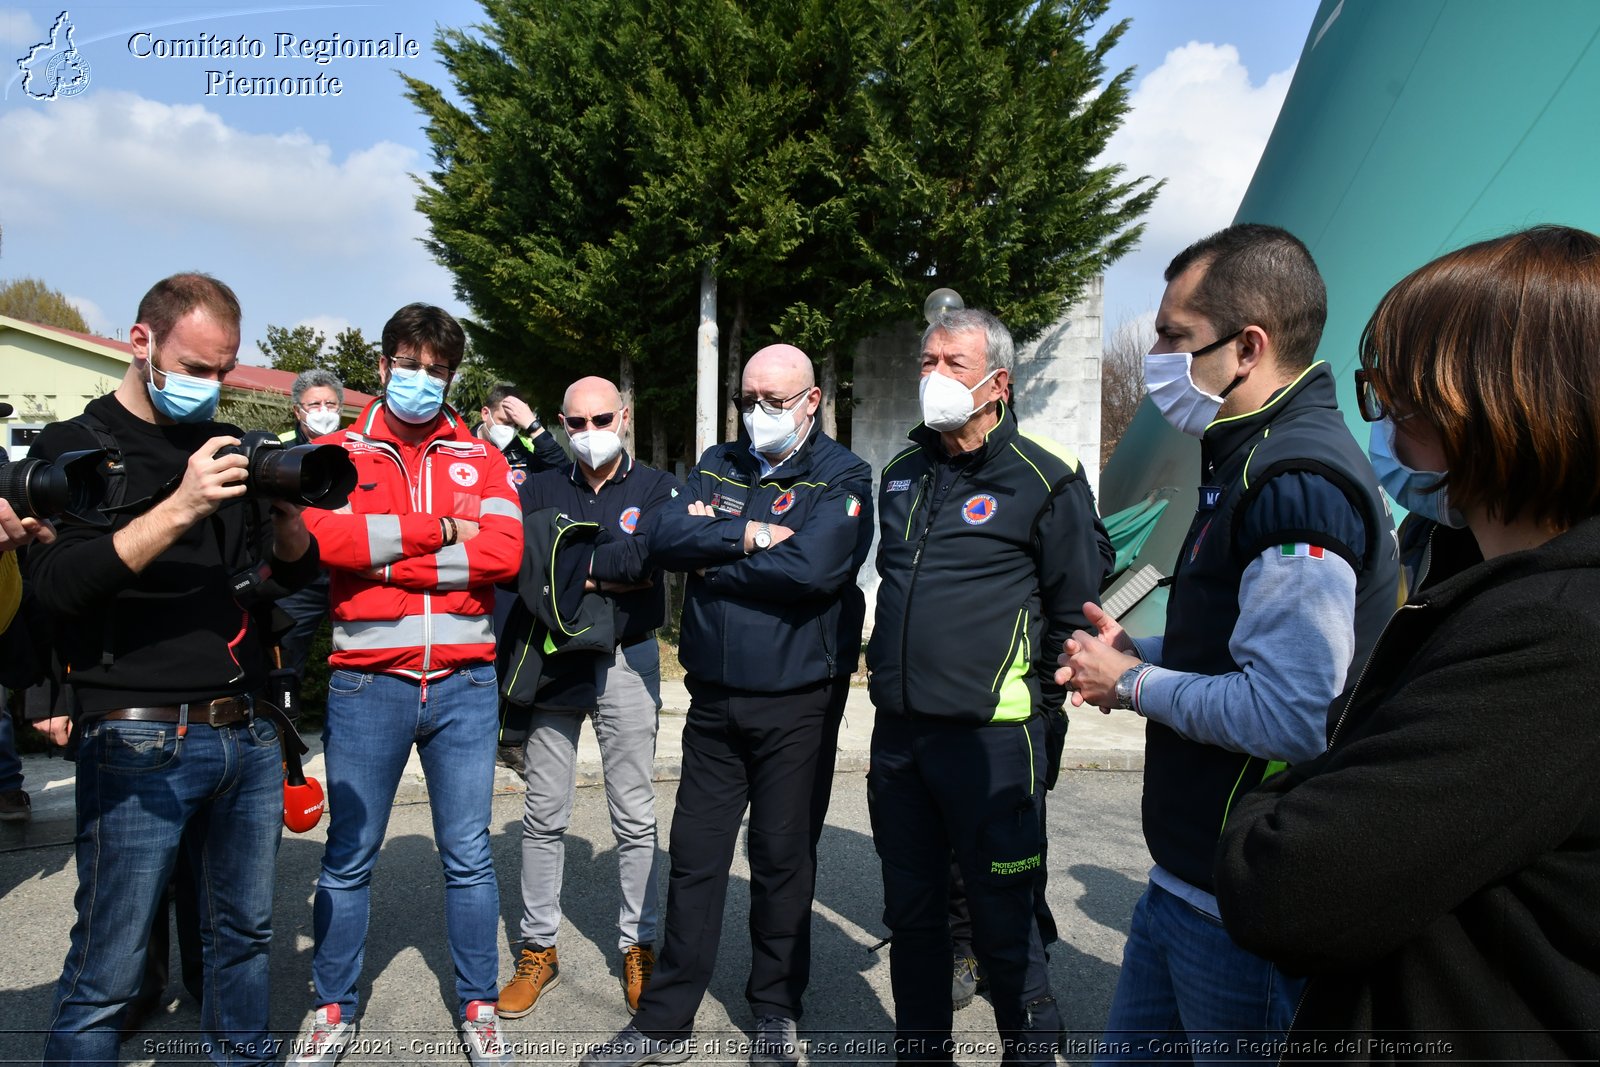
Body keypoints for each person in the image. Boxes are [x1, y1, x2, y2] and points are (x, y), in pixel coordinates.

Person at [1213, 224, 1600, 1062]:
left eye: (1396, 398)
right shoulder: (1494, 583)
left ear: (1494, 404)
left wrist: (1269, 801)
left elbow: (1287, 881)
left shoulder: (1553, 634)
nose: (1383, 428)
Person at [1058, 224, 1398, 1062]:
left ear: (1247, 347)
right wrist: (1143, 650)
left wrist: (1129, 685)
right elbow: (1235, 641)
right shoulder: (1246, 460)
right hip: (1186, 884)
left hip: (1239, 904)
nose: (1159, 358)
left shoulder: (1296, 482)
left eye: (1174, 337)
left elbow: (1289, 710)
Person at [27, 273, 319, 1064]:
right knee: (110, 964)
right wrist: (182, 505)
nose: (210, 387)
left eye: (223, 371)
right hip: (137, 736)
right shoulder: (74, 450)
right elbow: (58, 586)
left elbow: (291, 578)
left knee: (243, 942)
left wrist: (288, 520)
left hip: (246, 735)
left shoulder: (227, 446)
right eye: (195, 368)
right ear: (141, 342)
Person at [580, 343, 873, 1067]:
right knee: (697, 859)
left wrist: (713, 561)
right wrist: (746, 535)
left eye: (774, 400)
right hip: (712, 700)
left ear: (810, 401)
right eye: (749, 398)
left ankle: (775, 1008)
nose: (757, 413)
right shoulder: (718, 461)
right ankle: (663, 1021)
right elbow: (663, 537)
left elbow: (815, 568)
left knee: (781, 858)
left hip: (798, 701)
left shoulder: (843, 474)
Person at [866, 308, 1111, 1065]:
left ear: (997, 382)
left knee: (1004, 921)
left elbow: (1074, 619)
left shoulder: (1046, 476)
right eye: (926, 360)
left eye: (953, 363)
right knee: (912, 917)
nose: (933, 376)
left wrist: (1037, 729)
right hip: (900, 739)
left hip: (994, 744)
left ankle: (1030, 1052)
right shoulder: (902, 474)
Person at [291, 303, 524, 1067]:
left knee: (469, 855)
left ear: (452, 375)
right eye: (409, 363)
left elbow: (505, 554)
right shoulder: (338, 451)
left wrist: (385, 555)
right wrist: (444, 532)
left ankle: (478, 1004)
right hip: (368, 684)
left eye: (438, 369)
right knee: (349, 854)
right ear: (383, 365)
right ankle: (332, 1005)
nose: (422, 379)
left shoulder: (481, 457)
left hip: (463, 683)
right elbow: (329, 538)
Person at [498, 376, 679, 1018]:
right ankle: (537, 948)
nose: (590, 432)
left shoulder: (658, 487)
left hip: (628, 659)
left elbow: (652, 559)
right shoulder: (539, 486)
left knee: (633, 813)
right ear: (560, 423)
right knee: (544, 815)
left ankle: (639, 945)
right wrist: (604, 569)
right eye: (576, 423)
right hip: (554, 663)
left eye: (602, 418)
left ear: (624, 416)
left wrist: (569, 569)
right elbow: (522, 570)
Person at [276, 368, 345, 681]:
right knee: (285, 655)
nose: (323, 412)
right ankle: (282, 723)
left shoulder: (357, 449)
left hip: (347, 566)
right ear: (297, 410)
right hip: (301, 572)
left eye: (330, 405)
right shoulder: (278, 450)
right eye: (315, 405)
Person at [480, 382, 568, 486]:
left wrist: (534, 426)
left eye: (516, 425)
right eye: (506, 422)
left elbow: (564, 473)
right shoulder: (463, 446)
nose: (510, 430)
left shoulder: (521, 452)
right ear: (485, 414)